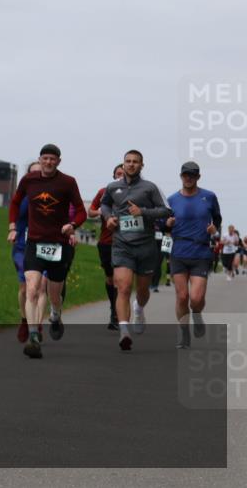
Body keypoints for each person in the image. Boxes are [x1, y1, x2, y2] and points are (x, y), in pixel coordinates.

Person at [8, 144, 87, 359]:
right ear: (40, 159)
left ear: (59, 161)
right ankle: (34, 336)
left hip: (58, 245)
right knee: (32, 289)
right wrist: (13, 227)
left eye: (53, 159)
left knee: (54, 294)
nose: (48, 162)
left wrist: (73, 225)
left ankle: (56, 313)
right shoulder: (29, 180)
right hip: (34, 242)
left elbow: (81, 210)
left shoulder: (67, 182)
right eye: (45, 158)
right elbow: (15, 202)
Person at [100, 150, 172, 351]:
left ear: (142, 165)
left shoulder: (150, 188)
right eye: (128, 161)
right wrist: (109, 218)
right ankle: (124, 331)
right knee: (122, 287)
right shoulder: (113, 187)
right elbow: (104, 205)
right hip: (122, 244)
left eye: (135, 162)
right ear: (123, 165)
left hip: (146, 246)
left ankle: (139, 309)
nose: (131, 165)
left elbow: (166, 211)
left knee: (142, 291)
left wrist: (143, 212)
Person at [166, 161, 222, 348]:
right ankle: (184, 334)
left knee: (196, 299)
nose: (188, 178)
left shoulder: (209, 196)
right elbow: (161, 223)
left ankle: (197, 316)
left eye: (192, 175)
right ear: (181, 176)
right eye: (185, 175)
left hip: (201, 251)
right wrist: (168, 224)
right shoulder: (172, 199)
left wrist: (215, 229)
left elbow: (218, 218)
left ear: (198, 177)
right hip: (179, 251)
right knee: (182, 297)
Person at [11, 162, 46, 342]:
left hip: (46, 246)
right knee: (25, 288)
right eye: (32, 173)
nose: (36, 176)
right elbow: (14, 214)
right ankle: (25, 320)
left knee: (41, 287)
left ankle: (37, 325)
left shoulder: (51, 195)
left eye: (39, 173)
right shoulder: (22, 195)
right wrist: (13, 229)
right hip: (23, 246)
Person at [90, 164, 125, 330]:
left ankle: (118, 315)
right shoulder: (104, 191)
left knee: (121, 279)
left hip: (126, 242)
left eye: (123, 174)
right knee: (111, 278)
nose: (120, 176)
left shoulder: (136, 193)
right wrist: (106, 213)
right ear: (113, 176)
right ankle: (113, 308)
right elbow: (90, 211)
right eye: (118, 174)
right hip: (106, 242)